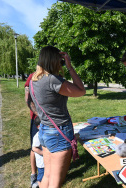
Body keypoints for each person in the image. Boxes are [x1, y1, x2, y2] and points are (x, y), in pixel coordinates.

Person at [30, 46, 86, 188]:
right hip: (58, 133)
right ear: (54, 60)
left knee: (47, 175)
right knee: (55, 180)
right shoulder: (52, 80)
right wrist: (70, 67)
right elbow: (81, 91)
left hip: (44, 129)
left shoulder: (33, 79)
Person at [25, 73, 39, 187]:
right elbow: (27, 99)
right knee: (34, 147)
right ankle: (34, 174)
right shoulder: (32, 76)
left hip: (51, 121)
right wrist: (39, 115)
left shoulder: (54, 74)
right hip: (37, 119)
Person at [32, 116, 44, 188]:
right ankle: (38, 184)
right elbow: (34, 148)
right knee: (42, 176)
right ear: (38, 126)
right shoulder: (37, 136)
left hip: (47, 161)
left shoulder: (44, 134)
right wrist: (44, 153)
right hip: (42, 163)